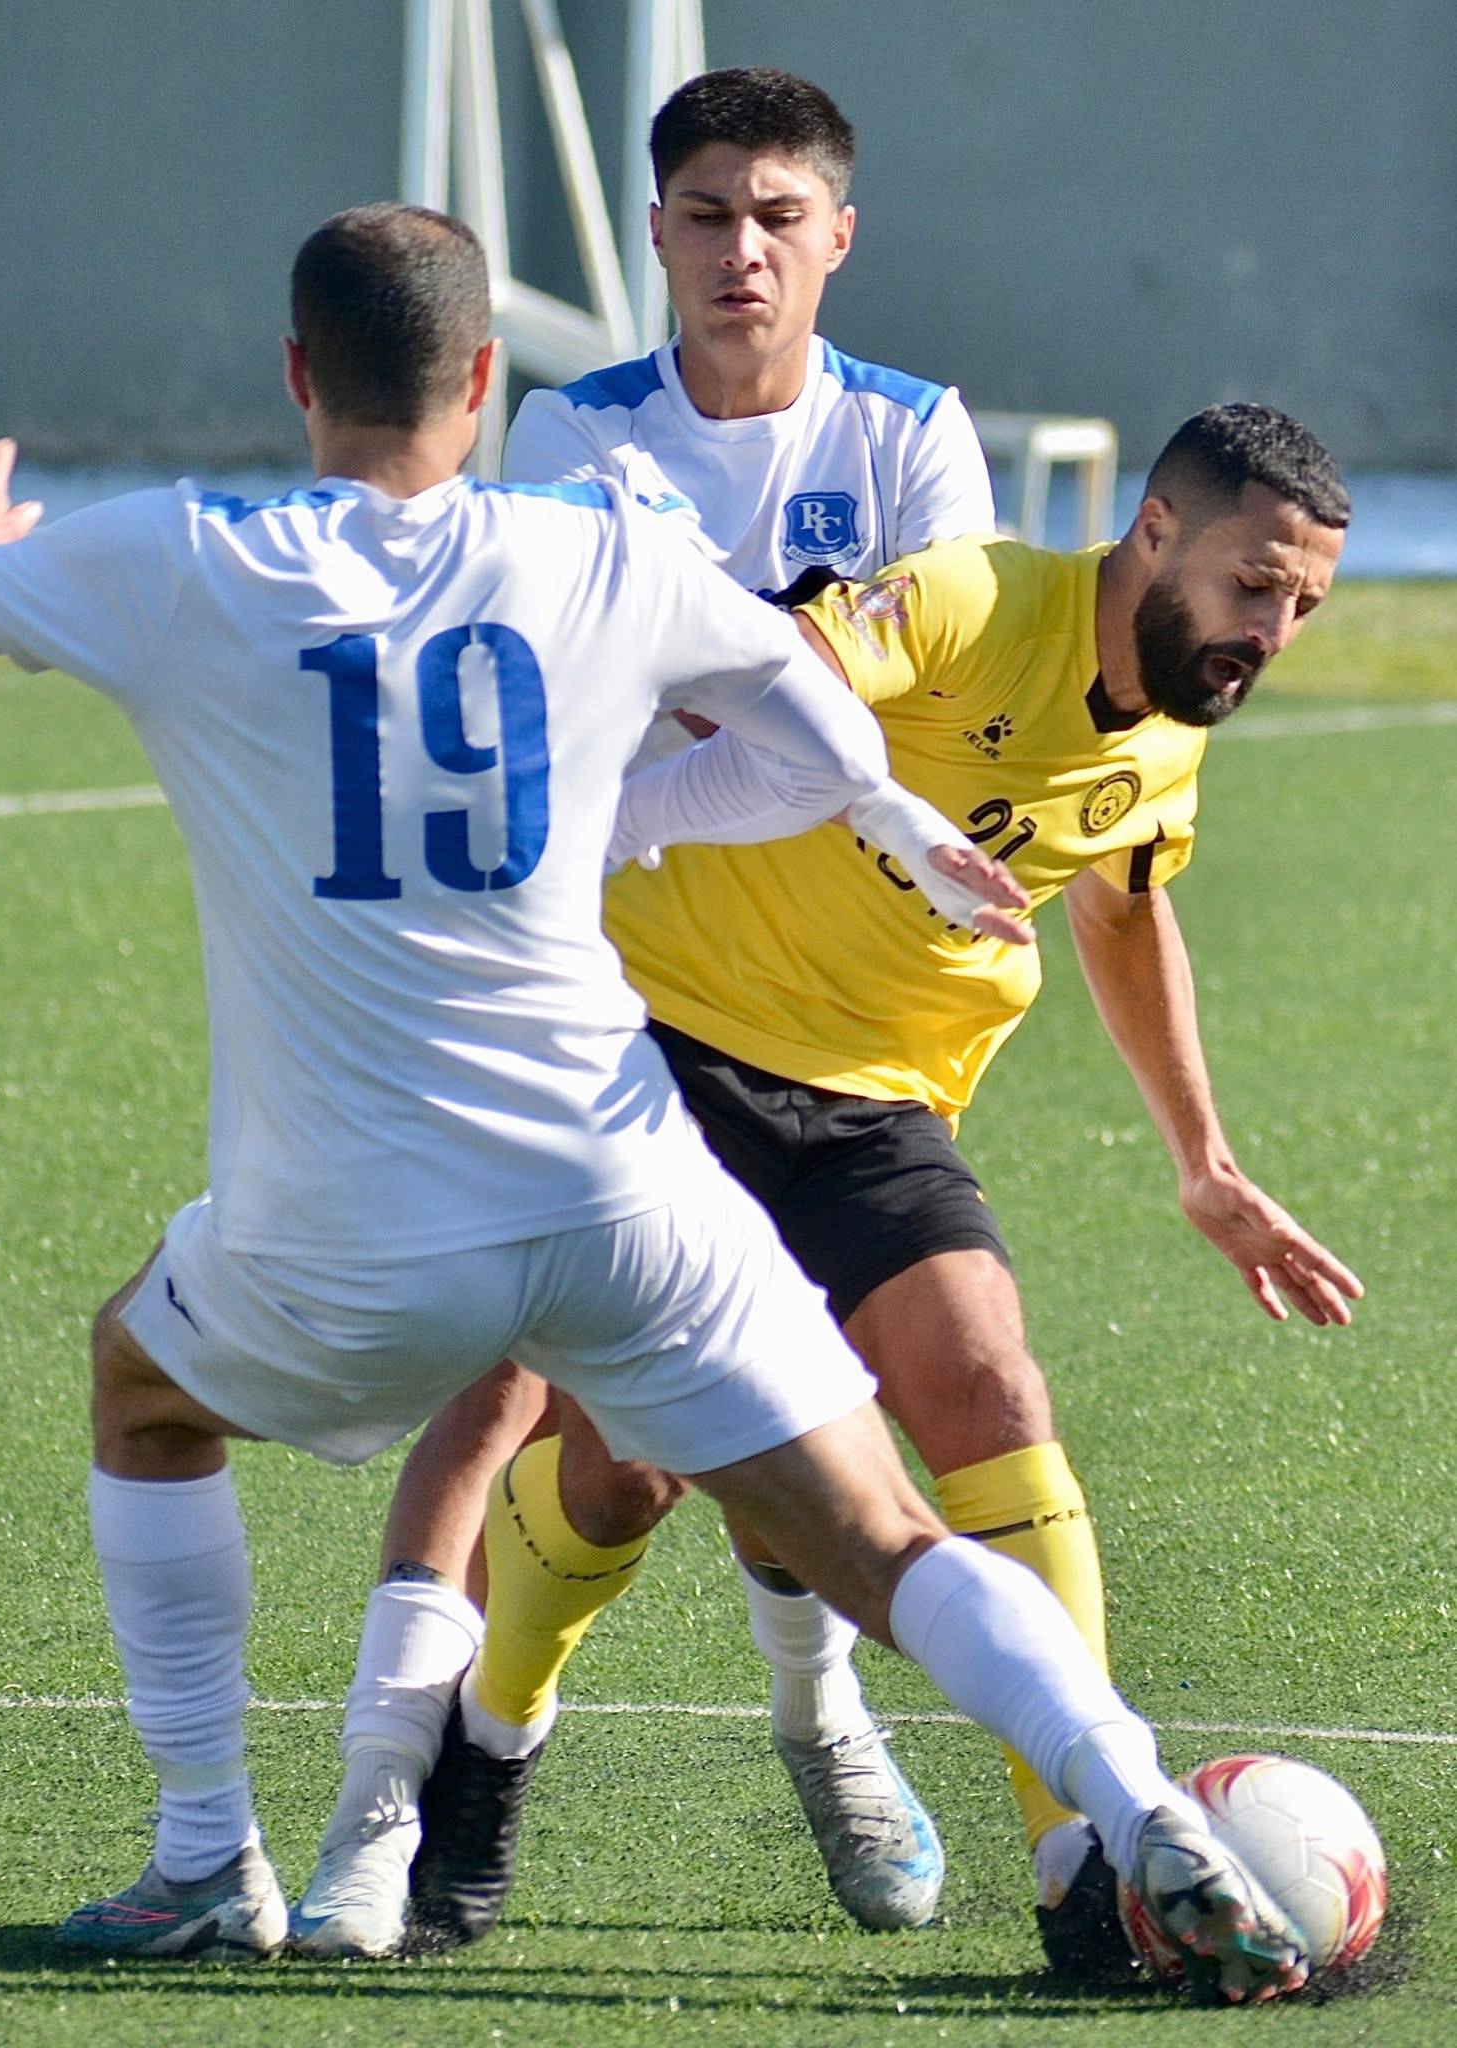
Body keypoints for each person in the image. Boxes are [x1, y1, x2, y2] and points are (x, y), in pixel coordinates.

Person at [0, 205, 1307, 2009]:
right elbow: (807, 720)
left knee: (142, 1381)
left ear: (297, 375)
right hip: (620, 1187)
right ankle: (1136, 1799)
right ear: (484, 379)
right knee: (891, 1536)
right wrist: (893, 823)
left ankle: (210, 1851)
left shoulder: (188, 557)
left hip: (348, 1222)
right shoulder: (592, 555)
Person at [397, 403, 1363, 1977]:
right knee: (627, 1466)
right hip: (669, 1055)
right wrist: (853, 813)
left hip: (877, 1112)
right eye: (1257, 584)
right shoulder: (976, 599)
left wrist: (1206, 1166)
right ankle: (487, 1746)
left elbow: (1120, 910)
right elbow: (771, 701)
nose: (1274, 628)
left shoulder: (1173, 720)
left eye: (1304, 605)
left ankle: (1074, 1861)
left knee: (987, 1384)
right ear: (1156, 530)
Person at [301, 64, 996, 1959]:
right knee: (546, 1407)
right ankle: (431, 1771)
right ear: (656, 233)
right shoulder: (570, 425)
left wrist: (720, 728)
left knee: (779, 1403)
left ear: (836, 234)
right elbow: (586, 703)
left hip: (831, 1012)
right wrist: (760, 717)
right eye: (704, 212)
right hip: (594, 992)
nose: (740, 248)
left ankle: (815, 1712)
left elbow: (884, 742)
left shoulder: (923, 440)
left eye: (778, 214)